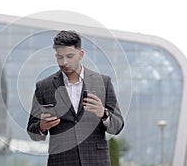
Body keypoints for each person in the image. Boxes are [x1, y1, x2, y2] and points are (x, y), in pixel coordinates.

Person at [27, 30, 124, 166]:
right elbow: (32, 132)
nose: (64, 62)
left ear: (81, 54)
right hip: (61, 161)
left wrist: (103, 113)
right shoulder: (44, 87)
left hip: (96, 161)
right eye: (60, 57)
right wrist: (42, 127)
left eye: (70, 56)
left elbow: (117, 126)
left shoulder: (103, 83)